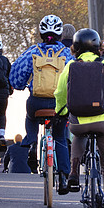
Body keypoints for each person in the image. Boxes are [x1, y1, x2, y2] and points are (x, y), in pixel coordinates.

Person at [55, 29, 104, 208]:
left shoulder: (71, 66)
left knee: (77, 131)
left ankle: (74, 172)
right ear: (98, 46)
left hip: (79, 122)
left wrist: (61, 110)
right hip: (103, 122)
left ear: (75, 47)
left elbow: (60, 92)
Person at [9, 14, 75, 192]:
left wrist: (21, 85)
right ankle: (63, 177)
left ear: (41, 33)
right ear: (60, 34)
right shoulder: (68, 54)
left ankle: (30, 138)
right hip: (60, 104)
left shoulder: (33, 51)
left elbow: (16, 77)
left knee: (30, 117)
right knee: (60, 137)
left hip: (37, 102)